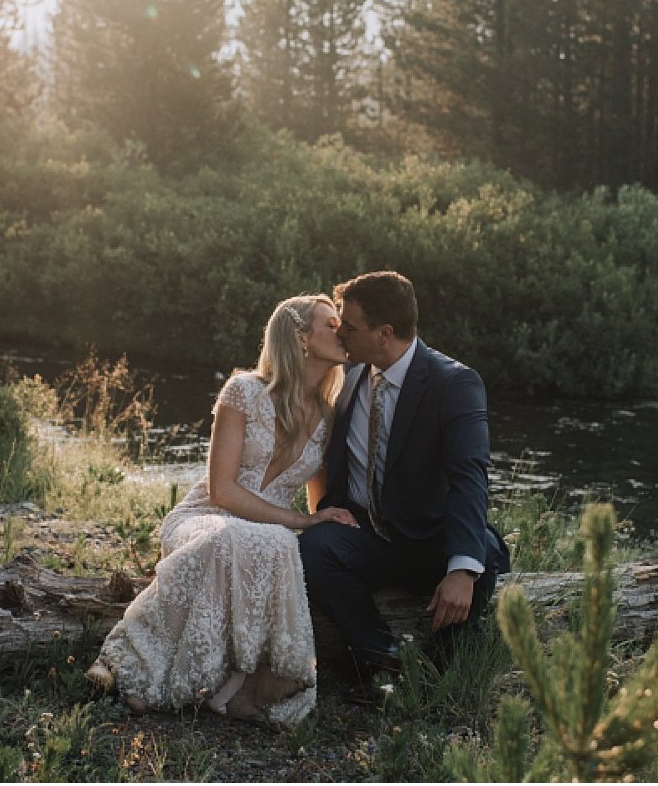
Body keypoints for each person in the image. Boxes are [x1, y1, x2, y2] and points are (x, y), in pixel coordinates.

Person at [86, 294, 358, 726]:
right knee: (233, 536)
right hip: (204, 516)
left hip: (267, 532)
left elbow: (315, 502)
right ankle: (124, 660)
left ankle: (240, 690)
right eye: (331, 323)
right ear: (301, 338)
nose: (342, 331)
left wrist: (322, 521)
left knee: (272, 543)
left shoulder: (329, 417)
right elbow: (224, 491)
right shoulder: (244, 391)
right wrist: (300, 522)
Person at [299, 270, 510, 680]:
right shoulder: (347, 376)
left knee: (479, 556)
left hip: (428, 537)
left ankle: (443, 669)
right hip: (365, 534)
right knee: (313, 550)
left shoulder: (455, 383)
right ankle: (381, 657)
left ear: (384, 333)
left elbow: (470, 477)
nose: (340, 333)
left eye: (350, 326)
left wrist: (461, 570)